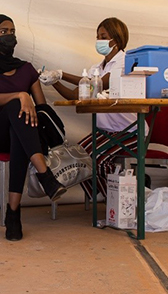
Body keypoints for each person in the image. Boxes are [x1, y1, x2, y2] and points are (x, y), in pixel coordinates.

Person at [0, 14, 68, 241]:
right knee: (16, 106)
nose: (9, 36)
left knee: (20, 132)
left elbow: (41, 108)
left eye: (12, 32)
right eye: (4, 32)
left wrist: (26, 99)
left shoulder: (27, 69)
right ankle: (45, 176)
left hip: (22, 134)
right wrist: (21, 95)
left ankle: (13, 215)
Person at [40, 17, 136, 197]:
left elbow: (99, 84)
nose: (99, 40)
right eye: (97, 36)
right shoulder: (97, 67)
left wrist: (62, 74)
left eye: (103, 36)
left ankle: (118, 203)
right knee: (77, 161)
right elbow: (75, 94)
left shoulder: (126, 62)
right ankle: (114, 201)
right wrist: (53, 81)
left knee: (95, 162)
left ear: (115, 39)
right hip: (106, 131)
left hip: (130, 131)